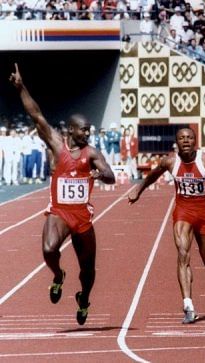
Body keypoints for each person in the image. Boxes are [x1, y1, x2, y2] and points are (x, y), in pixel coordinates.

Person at [9, 64, 116, 325]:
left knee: (88, 270)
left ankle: (84, 299)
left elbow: (110, 175)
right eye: (84, 130)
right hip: (59, 211)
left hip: (82, 216)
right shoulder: (57, 145)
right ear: (71, 130)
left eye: (89, 130)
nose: (88, 133)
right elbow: (37, 116)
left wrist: (99, 174)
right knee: (48, 249)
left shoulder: (91, 153)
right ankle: (58, 276)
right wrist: (21, 87)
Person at [128, 127, 205, 324]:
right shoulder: (170, 162)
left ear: (195, 141)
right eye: (182, 138)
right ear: (177, 142)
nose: (185, 141)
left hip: (204, 215)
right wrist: (138, 191)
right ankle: (188, 305)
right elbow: (152, 176)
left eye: (189, 138)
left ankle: (190, 280)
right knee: (183, 253)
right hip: (183, 213)